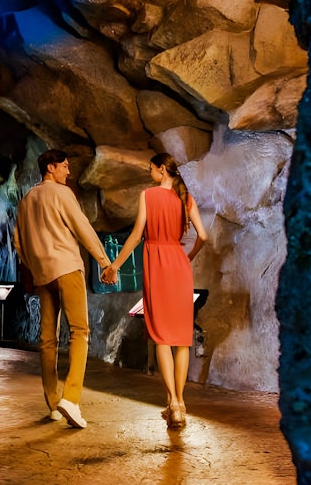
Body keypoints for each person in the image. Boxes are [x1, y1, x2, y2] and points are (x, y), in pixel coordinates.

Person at [102, 152, 208, 429]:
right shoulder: (186, 198)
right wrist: (188, 257)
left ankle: (172, 401)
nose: (149, 173)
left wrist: (114, 265)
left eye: (151, 169)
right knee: (182, 339)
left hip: (158, 265)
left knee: (161, 337)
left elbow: (137, 236)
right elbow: (204, 236)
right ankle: (180, 404)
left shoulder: (148, 196)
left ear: (162, 170)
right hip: (179, 266)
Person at [13, 148, 112, 429]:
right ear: (51, 168)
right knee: (80, 332)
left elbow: (19, 244)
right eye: (65, 167)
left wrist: (34, 267)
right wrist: (104, 262)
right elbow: (83, 228)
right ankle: (72, 398)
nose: (68, 172)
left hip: (43, 274)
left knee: (47, 340)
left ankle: (53, 402)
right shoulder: (62, 194)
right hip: (67, 267)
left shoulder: (26, 200)